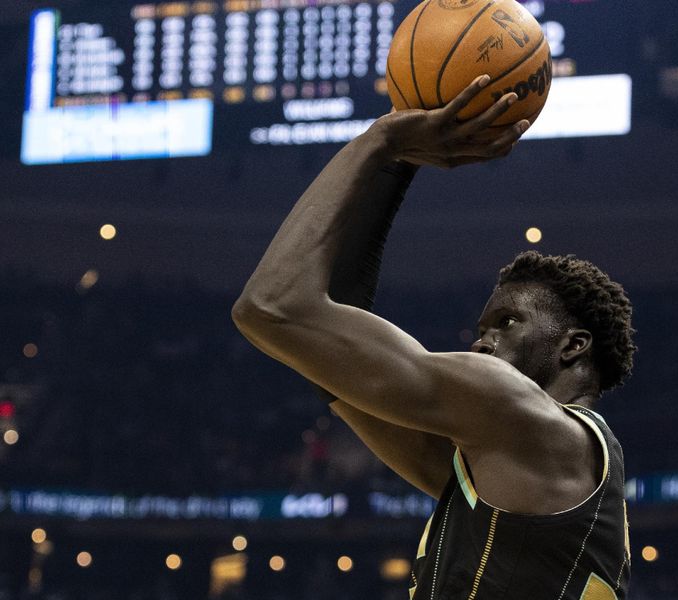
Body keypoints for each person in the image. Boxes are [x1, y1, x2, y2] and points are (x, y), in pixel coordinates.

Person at [233, 75, 635, 599]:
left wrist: (381, 141)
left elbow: (270, 308)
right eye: (482, 329)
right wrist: (398, 165)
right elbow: (328, 363)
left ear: (573, 345)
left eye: (507, 323)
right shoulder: (512, 464)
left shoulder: (517, 412)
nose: (480, 343)